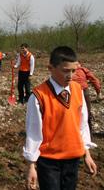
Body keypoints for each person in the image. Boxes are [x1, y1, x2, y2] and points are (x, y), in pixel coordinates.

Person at [24, 46, 97, 190]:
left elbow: (82, 125)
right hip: (49, 161)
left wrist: (87, 154)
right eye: (65, 71)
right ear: (50, 68)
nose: (70, 75)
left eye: (73, 70)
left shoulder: (78, 90)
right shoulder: (39, 96)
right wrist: (31, 166)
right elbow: (33, 134)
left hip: (73, 159)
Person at [72, 62, 102, 133]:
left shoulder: (68, 71)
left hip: (72, 91)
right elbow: (94, 80)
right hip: (84, 91)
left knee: (73, 113)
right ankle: (89, 133)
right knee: (87, 112)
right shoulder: (83, 69)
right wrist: (98, 92)